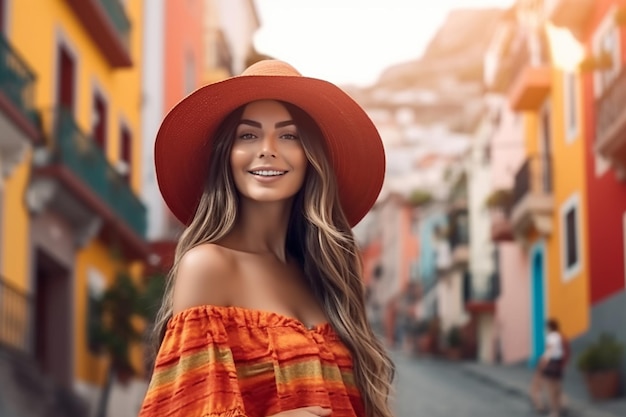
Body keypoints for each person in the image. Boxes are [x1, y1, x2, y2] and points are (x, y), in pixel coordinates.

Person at [138, 60, 395, 417]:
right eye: (248, 135)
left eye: (289, 135)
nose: (267, 149)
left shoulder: (330, 274)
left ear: (312, 157)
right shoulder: (209, 266)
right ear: (226, 155)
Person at [530, 319, 567, 416]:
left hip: (551, 364)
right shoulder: (560, 336)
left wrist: (542, 363)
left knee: (550, 389)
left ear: (550, 327)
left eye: (546, 327)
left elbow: (549, 352)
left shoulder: (551, 337)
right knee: (557, 387)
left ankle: (554, 411)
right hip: (558, 364)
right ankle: (561, 406)